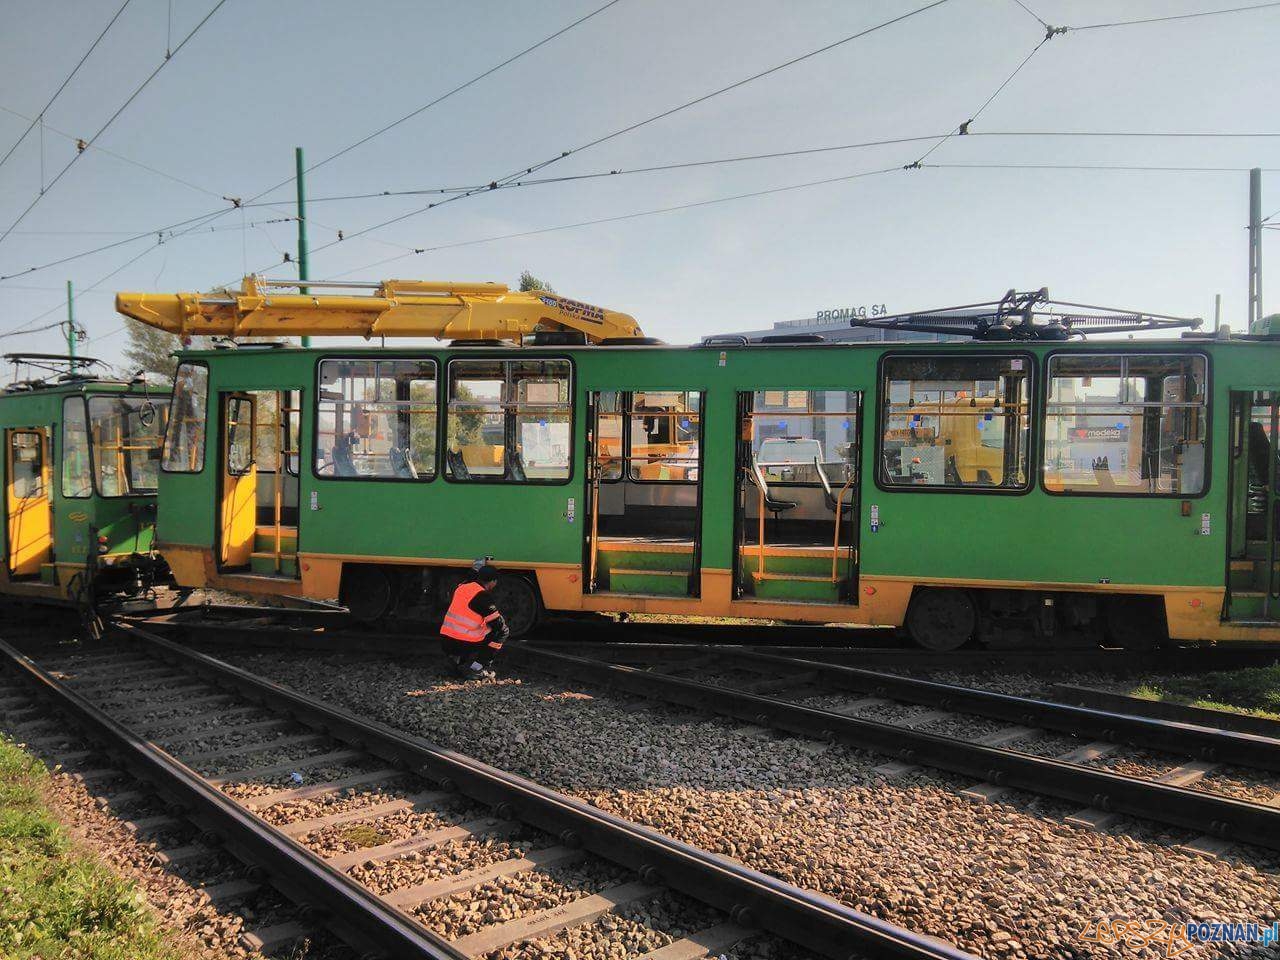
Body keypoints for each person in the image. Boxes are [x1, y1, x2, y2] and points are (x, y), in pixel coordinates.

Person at [439, 565, 509, 679]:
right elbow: (499, 626)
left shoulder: (461, 587)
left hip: (446, 640)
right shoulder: (482, 597)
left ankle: (453, 662)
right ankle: (476, 668)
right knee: (503, 632)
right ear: (493, 582)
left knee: (474, 629)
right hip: (464, 643)